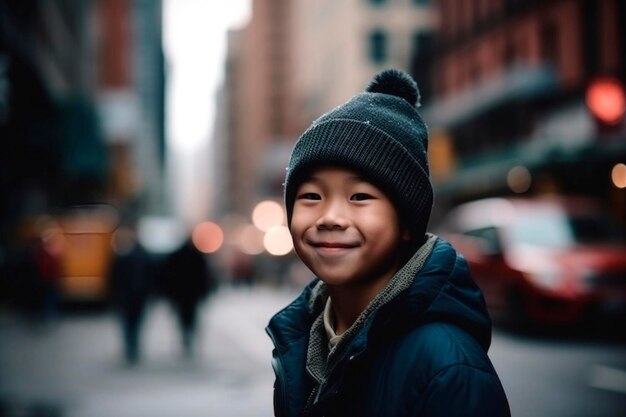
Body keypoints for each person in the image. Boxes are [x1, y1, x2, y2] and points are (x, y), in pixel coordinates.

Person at [266, 69, 511, 416]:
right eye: (310, 196)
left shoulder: (449, 368)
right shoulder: (305, 342)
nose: (330, 217)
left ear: (406, 224)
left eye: (360, 196)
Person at [159, 237, 216, 357]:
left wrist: (169, 293)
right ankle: (189, 335)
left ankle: (185, 336)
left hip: (180, 294)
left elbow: (168, 276)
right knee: (191, 316)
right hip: (192, 294)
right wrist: (203, 292)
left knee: (182, 317)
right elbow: (204, 276)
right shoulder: (197, 256)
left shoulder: (177, 256)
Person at [109, 224, 154, 365]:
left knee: (131, 323)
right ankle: (132, 347)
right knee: (133, 323)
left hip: (133, 296)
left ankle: (131, 347)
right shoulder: (139, 254)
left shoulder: (124, 254)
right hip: (133, 296)